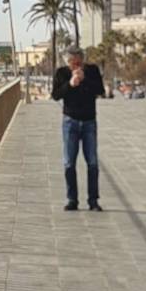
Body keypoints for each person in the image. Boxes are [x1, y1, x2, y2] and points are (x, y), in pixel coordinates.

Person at [52, 45, 105, 211]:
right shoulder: (62, 73)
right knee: (69, 163)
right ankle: (72, 199)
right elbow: (55, 95)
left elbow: (100, 90)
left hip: (89, 121)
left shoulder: (92, 70)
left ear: (82, 61)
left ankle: (93, 200)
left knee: (92, 163)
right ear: (67, 62)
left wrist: (85, 80)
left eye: (78, 62)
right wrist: (70, 84)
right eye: (72, 63)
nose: (75, 65)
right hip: (70, 121)